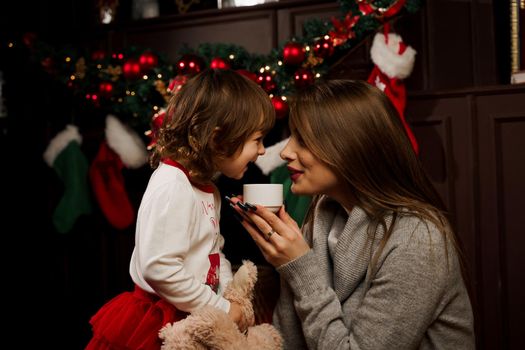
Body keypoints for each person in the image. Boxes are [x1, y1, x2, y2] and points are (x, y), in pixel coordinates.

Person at [229, 79, 475, 349]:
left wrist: (299, 268)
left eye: (303, 139)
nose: (286, 152)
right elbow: (288, 341)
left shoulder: (416, 239)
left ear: (349, 146)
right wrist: (287, 261)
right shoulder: (322, 213)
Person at [86, 68, 275, 350]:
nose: (262, 150)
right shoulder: (172, 185)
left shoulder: (207, 188)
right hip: (158, 321)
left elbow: (214, 251)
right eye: (257, 139)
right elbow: (159, 267)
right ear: (218, 139)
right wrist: (219, 307)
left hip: (197, 314)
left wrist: (229, 298)